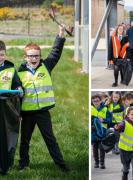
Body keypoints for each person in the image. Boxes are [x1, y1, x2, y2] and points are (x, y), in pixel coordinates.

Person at [17, 26, 69, 172]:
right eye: (31, 56)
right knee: (24, 141)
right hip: (27, 113)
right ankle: (23, 164)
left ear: (40, 56)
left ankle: (61, 165)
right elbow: (17, 96)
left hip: (43, 113)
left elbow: (56, 52)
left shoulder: (46, 66)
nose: (34, 59)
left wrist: (60, 34)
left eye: (37, 56)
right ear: (25, 57)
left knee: (50, 139)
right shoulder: (19, 73)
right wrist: (18, 113)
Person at [0, 40, 21, 173]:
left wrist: (19, 88)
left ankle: (4, 164)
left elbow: (17, 85)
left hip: (5, 109)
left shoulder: (11, 69)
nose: (0, 57)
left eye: (2, 54)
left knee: (5, 136)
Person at [91, 95, 111, 169]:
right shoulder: (91, 109)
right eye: (94, 101)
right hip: (93, 131)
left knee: (101, 147)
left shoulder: (105, 109)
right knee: (94, 147)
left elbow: (110, 119)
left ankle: (102, 163)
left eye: (97, 101)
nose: (96, 102)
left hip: (103, 131)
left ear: (100, 101)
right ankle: (96, 162)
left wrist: (103, 120)